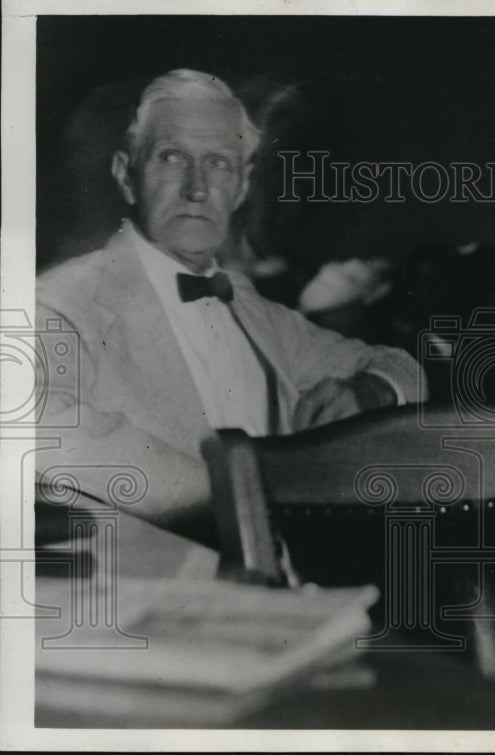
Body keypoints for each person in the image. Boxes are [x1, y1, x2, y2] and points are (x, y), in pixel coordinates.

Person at [36, 69, 425, 544]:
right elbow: (35, 426)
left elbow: (403, 369)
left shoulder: (250, 307)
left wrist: (370, 390)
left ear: (241, 188)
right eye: (172, 157)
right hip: (154, 604)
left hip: (290, 593)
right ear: (126, 174)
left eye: (219, 163)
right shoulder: (62, 299)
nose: (197, 188)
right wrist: (232, 497)